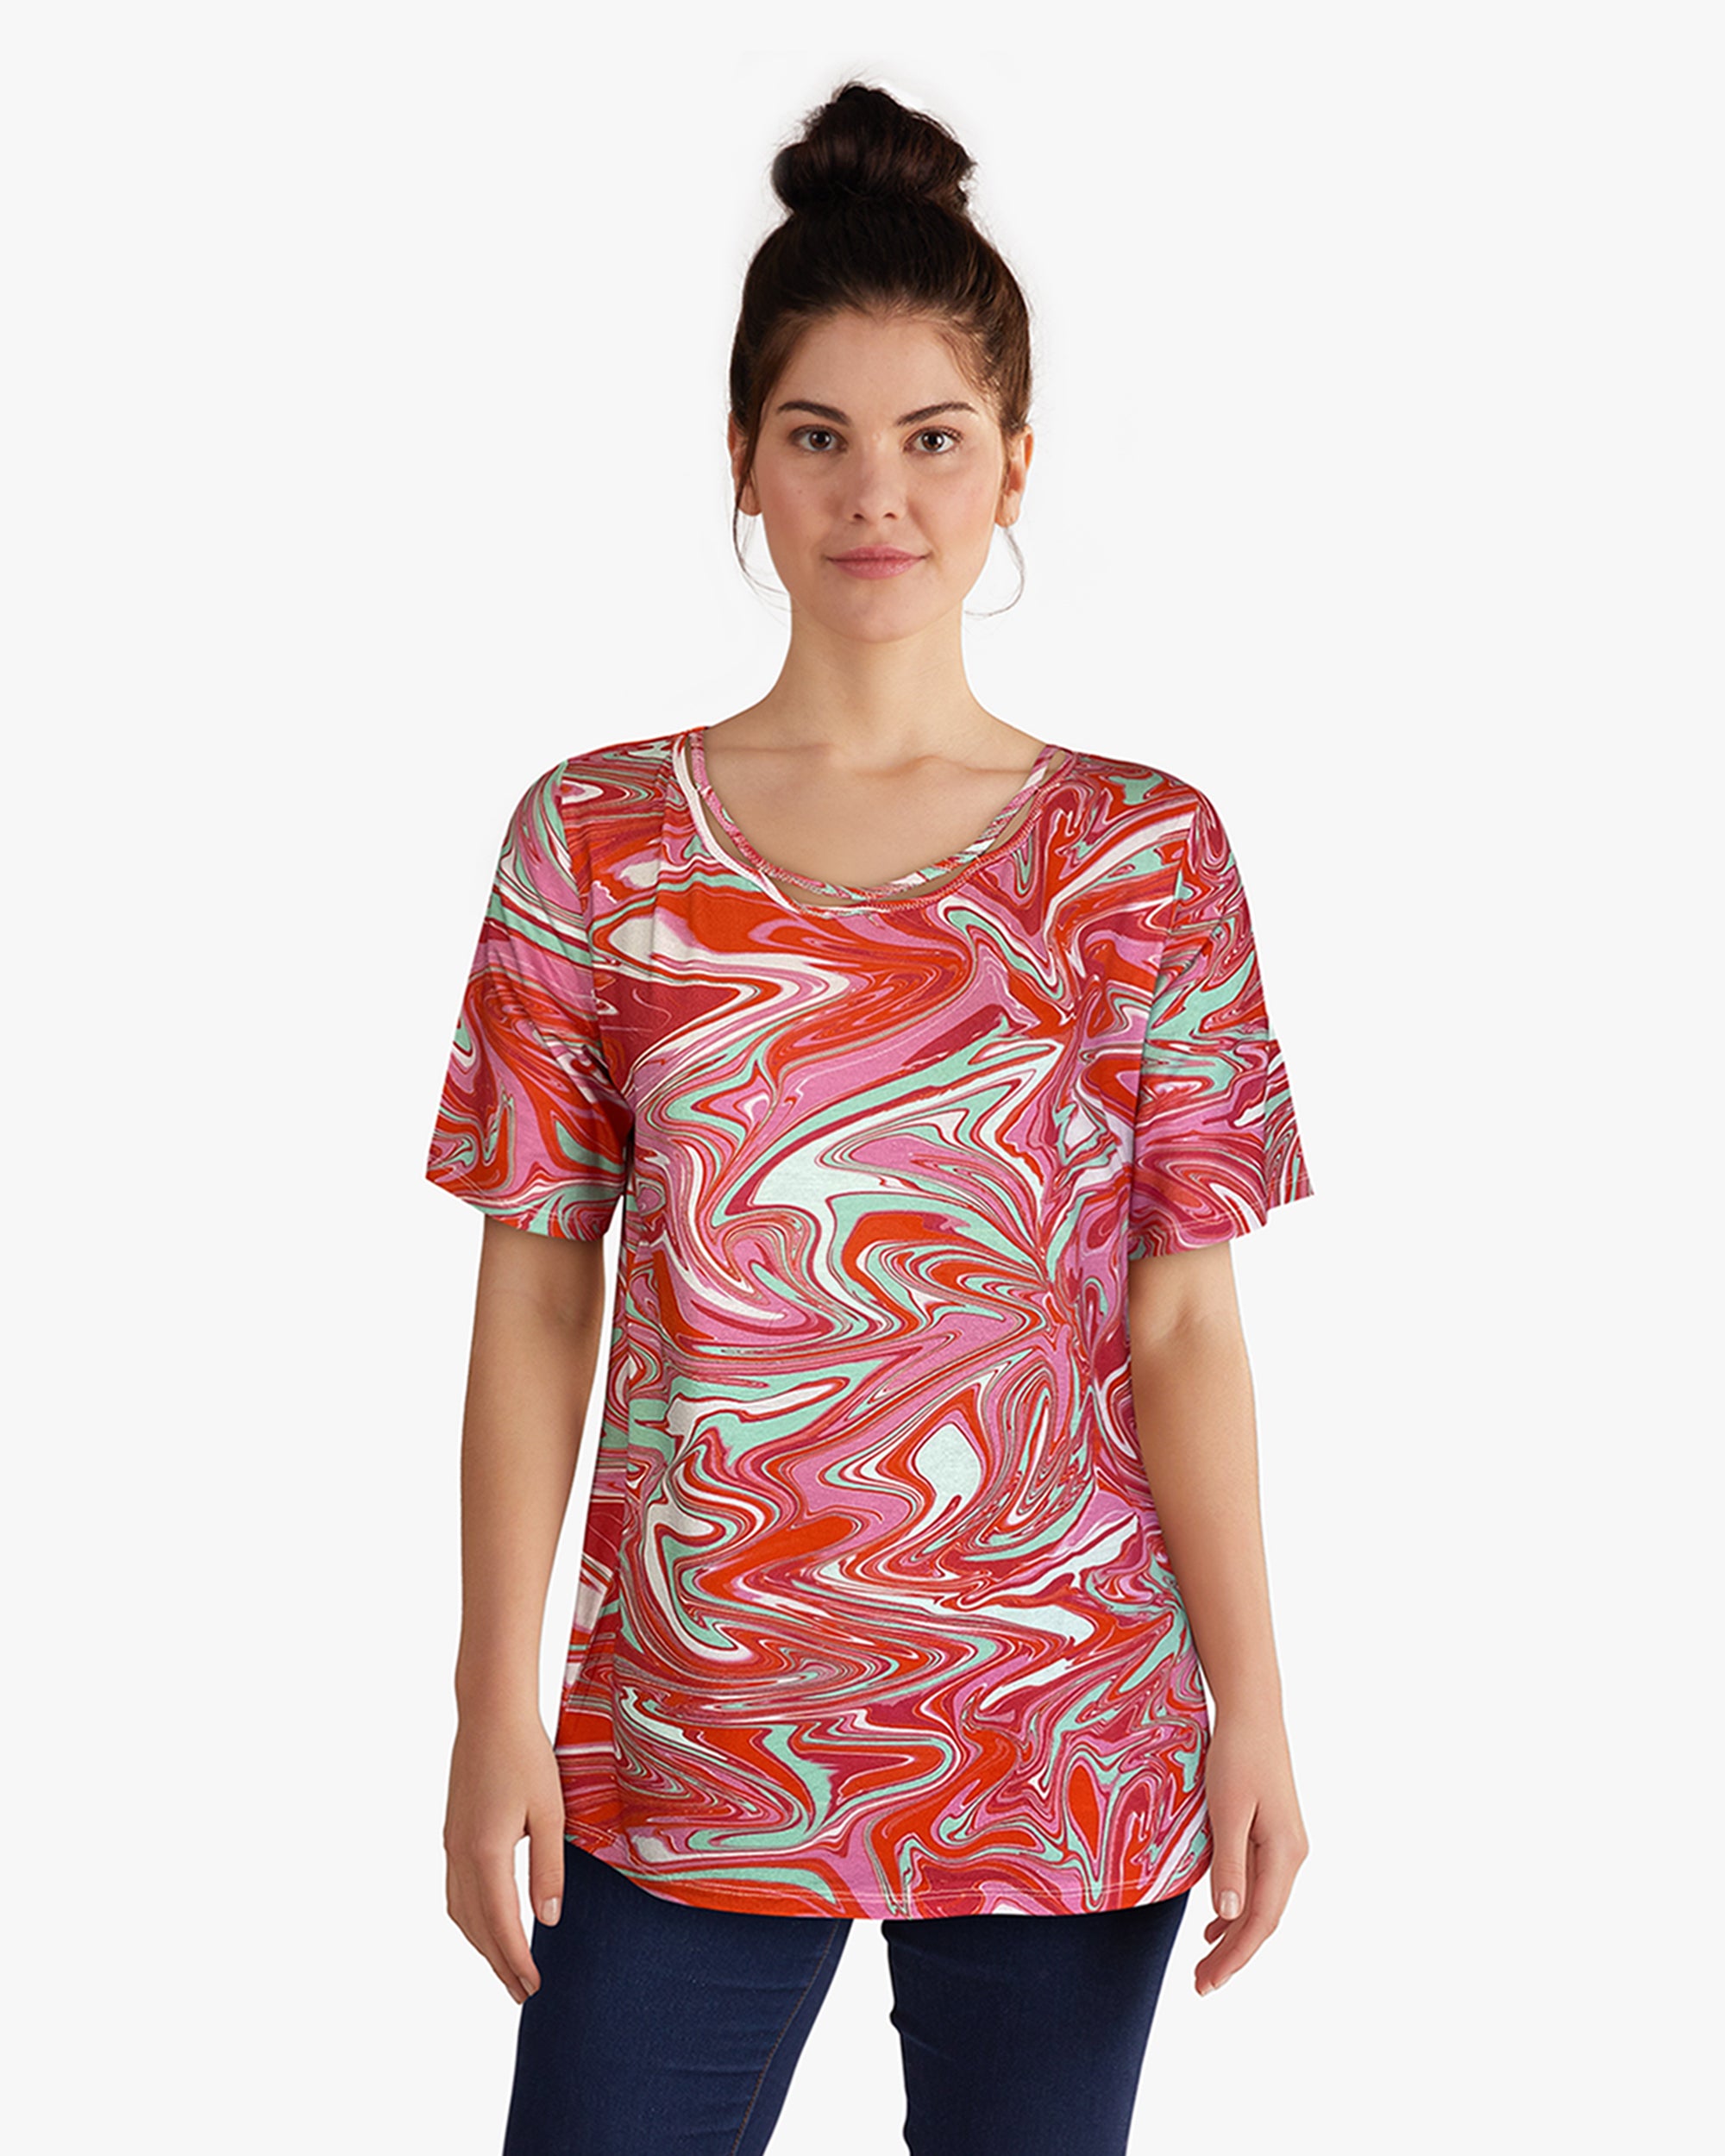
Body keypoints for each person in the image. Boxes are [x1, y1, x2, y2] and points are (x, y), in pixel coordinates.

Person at [425, 77, 1316, 2156]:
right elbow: (536, 1298)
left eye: (931, 437)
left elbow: (1182, 1318)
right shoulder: (598, 841)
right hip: (683, 1727)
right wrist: (487, 1706)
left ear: (1015, 463)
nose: (875, 494)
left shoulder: (1140, 857)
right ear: (741, 459)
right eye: (818, 434)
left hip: (1060, 1713)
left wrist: (1256, 1705)